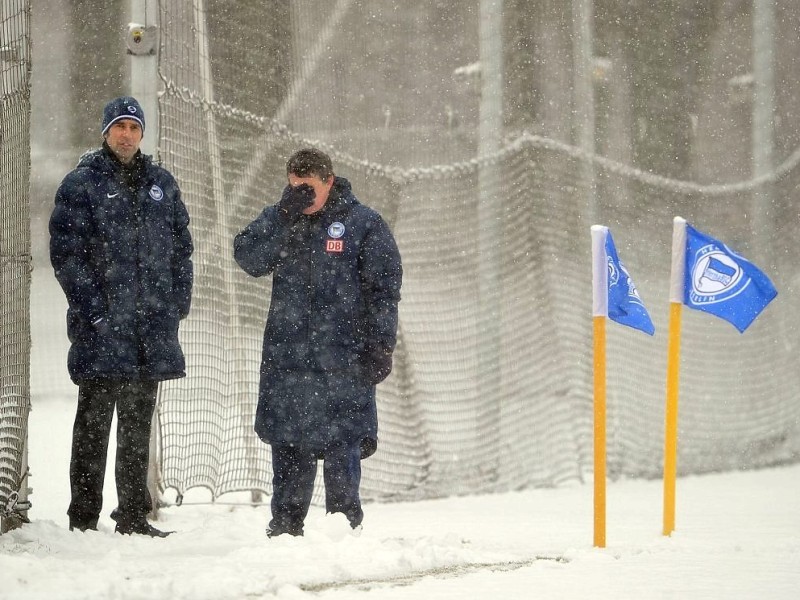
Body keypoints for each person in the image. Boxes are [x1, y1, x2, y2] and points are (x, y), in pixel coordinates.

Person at [233, 147, 402, 537]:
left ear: (329, 181)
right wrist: (281, 215)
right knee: (290, 447)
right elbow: (249, 257)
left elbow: (384, 290)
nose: (302, 196)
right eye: (295, 187)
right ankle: (285, 531)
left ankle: (344, 531)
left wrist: (381, 344)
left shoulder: (363, 224)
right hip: (288, 360)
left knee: (342, 446)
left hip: (343, 361)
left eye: (309, 188)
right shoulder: (284, 218)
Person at [49, 96, 193, 537]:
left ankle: (132, 516)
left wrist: (175, 307)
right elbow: (66, 256)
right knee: (92, 430)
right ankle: (83, 521)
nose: (126, 135)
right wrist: (94, 315)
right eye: (119, 127)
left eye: (134, 127)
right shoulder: (81, 185)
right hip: (101, 334)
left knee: (136, 431)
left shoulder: (162, 185)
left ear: (142, 134)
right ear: (105, 132)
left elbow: (182, 252)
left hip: (149, 333)